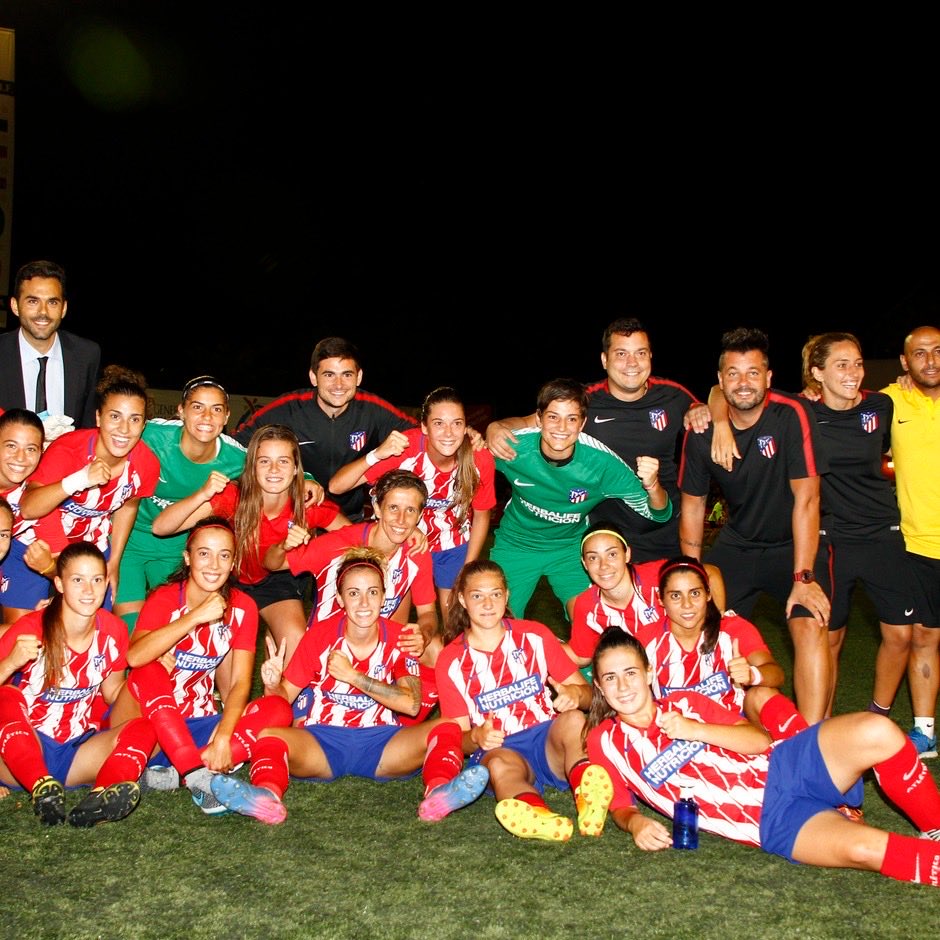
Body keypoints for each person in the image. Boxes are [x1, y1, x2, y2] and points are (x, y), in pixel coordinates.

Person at [585, 628, 940, 886]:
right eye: (610, 678)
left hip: (784, 767)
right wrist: (636, 824)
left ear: (648, 673)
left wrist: (695, 729)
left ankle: (935, 826)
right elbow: (619, 804)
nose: (623, 686)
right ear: (599, 686)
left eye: (631, 672)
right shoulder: (605, 741)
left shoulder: (686, 703)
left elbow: (758, 740)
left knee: (876, 730)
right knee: (866, 849)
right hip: (770, 822)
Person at [209, 547, 488, 825]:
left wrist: (353, 676)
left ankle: (439, 793)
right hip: (322, 740)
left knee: (447, 727)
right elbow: (284, 698)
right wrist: (272, 685)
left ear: (383, 597)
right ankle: (265, 797)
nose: (364, 602)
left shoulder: (400, 638)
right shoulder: (320, 636)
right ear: (341, 599)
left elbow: (410, 703)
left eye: (372, 592)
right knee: (269, 735)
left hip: (382, 742)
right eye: (354, 593)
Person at [678, 327, 833, 724]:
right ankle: (716, 718)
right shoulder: (701, 431)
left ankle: (810, 741)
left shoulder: (791, 414)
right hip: (739, 543)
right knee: (699, 622)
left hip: (792, 546)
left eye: (753, 372)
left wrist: (803, 575)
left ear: (768, 377)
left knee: (810, 621)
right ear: (720, 381)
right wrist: (691, 571)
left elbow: (807, 499)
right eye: (733, 373)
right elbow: (693, 506)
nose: (743, 382)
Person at [486, 318, 711, 562]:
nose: (632, 363)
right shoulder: (586, 401)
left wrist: (702, 407)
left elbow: (713, 402)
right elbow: (534, 421)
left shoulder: (673, 395)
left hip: (665, 528)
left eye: (640, 353)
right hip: (607, 537)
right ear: (605, 360)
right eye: (621, 353)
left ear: (650, 357)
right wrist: (497, 426)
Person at [114, 517, 293, 817]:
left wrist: (224, 735)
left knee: (278, 708)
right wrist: (194, 617)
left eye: (224, 555)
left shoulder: (243, 607)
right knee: (150, 669)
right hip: (148, 722)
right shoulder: (166, 598)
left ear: (233, 562)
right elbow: (134, 658)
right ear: (187, 557)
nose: (213, 564)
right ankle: (196, 774)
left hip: (198, 721)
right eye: (204, 553)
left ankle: (183, 775)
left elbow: (239, 683)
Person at [432, 558, 614, 842]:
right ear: (462, 600)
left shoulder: (536, 635)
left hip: (547, 739)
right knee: (499, 767)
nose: (488, 604)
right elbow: (457, 737)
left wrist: (576, 694)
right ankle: (536, 814)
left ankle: (589, 798)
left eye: (495, 594)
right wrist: (478, 736)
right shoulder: (451, 660)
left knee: (574, 720)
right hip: (502, 748)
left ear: (507, 596)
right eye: (477, 596)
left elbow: (593, 699)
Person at [796, 333, 918, 723]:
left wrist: (908, 380)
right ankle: (823, 725)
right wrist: (711, 411)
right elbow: (725, 392)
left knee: (902, 634)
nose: (853, 373)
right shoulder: (800, 411)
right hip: (832, 538)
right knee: (829, 639)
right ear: (817, 373)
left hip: (884, 532)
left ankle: (878, 713)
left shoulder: (882, 404)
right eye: (841, 365)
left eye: (858, 363)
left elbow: (919, 392)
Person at [151, 424, 349, 666]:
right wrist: (202, 494)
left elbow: (356, 537)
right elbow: (161, 527)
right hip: (227, 578)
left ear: (296, 467)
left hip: (275, 581)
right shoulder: (233, 497)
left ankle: (276, 698)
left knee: (296, 642)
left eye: (283, 461)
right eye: (264, 461)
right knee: (226, 658)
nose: (274, 469)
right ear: (252, 466)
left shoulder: (306, 505)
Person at [487, 377, 671, 622]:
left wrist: (653, 485)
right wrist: (486, 431)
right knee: (496, 622)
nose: (561, 427)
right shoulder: (515, 448)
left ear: (582, 423)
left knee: (591, 622)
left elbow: (659, 512)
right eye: (553, 417)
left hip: (570, 551)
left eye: (571, 419)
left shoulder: (602, 464)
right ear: (539, 418)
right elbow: (466, 463)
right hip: (516, 545)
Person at [0, 543, 156, 827]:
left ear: (107, 582)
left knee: (145, 727)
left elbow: (113, 692)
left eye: (97, 580)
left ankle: (99, 798)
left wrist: (149, 674)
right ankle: (41, 786)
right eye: (77, 580)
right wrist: (10, 663)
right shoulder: (32, 627)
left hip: (75, 753)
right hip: (22, 748)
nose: (88, 590)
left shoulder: (114, 630)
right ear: (59, 584)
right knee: (7, 695)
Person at [267, 468, 437, 722]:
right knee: (298, 728)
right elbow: (272, 564)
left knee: (437, 651)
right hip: (325, 648)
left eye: (410, 511)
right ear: (377, 509)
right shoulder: (341, 544)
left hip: (375, 645)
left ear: (420, 516)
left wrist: (423, 633)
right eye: (393, 508)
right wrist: (283, 545)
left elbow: (429, 614)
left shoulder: (416, 552)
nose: (401, 520)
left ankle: (404, 723)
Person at [329, 385, 497, 613]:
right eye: (439, 423)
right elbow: (337, 486)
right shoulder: (405, 449)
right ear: (424, 427)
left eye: (456, 423)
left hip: (452, 543)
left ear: (466, 426)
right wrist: (376, 454)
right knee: (397, 620)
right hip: (406, 542)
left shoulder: (479, 458)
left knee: (455, 618)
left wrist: (468, 566)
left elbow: (481, 515)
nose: (449, 433)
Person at [13, 366, 160, 616]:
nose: (124, 429)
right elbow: (29, 507)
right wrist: (80, 479)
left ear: (143, 425)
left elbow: (130, 504)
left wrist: (113, 561)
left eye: (134, 419)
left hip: (91, 547)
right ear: (99, 417)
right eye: (115, 416)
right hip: (36, 544)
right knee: (27, 634)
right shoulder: (68, 450)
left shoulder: (146, 464)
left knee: (91, 630)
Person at [113, 375, 249, 635]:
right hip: (128, 537)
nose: (207, 417)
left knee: (171, 624)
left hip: (178, 544)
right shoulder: (151, 435)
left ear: (226, 416)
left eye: (216, 409)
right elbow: (107, 438)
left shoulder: (235, 457)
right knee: (131, 625)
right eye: (197, 407)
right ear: (181, 411)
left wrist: (308, 480)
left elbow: (275, 470)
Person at [233, 336, 418, 522]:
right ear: (314, 377)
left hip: (349, 517)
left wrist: (382, 470)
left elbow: (420, 435)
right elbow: (235, 447)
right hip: (295, 516)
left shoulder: (373, 409)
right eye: (329, 375)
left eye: (347, 375)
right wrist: (294, 481)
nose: (338, 385)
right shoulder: (288, 409)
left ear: (359, 377)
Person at [880, 325, 940, 757]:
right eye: (920, 354)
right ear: (905, 362)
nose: (930, 361)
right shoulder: (891, 400)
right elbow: (833, 402)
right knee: (924, 637)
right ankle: (925, 731)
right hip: (918, 545)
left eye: (937, 352)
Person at [567, 521, 726, 671]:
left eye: (612, 554)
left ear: (627, 554)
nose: (603, 565)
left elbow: (711, 573)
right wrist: (544, 640)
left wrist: (716, 624)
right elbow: (581, 656)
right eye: (593, 558)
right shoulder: (586, 605)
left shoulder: (656, 576)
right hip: (646, 680)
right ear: (584, 563)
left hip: (695, 662)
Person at [0, 260, 100, 433]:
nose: (43, 312)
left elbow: (88, 429)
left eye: (52, 302)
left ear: (64, 308)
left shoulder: (86, 355)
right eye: (33, 301)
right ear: (15, 306)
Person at [0, 409, 45, 624]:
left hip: (17, 550)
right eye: (11, 446)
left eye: (30, 449)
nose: (20, 458)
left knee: (24, 633)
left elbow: (58, 562)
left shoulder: (38, 496)